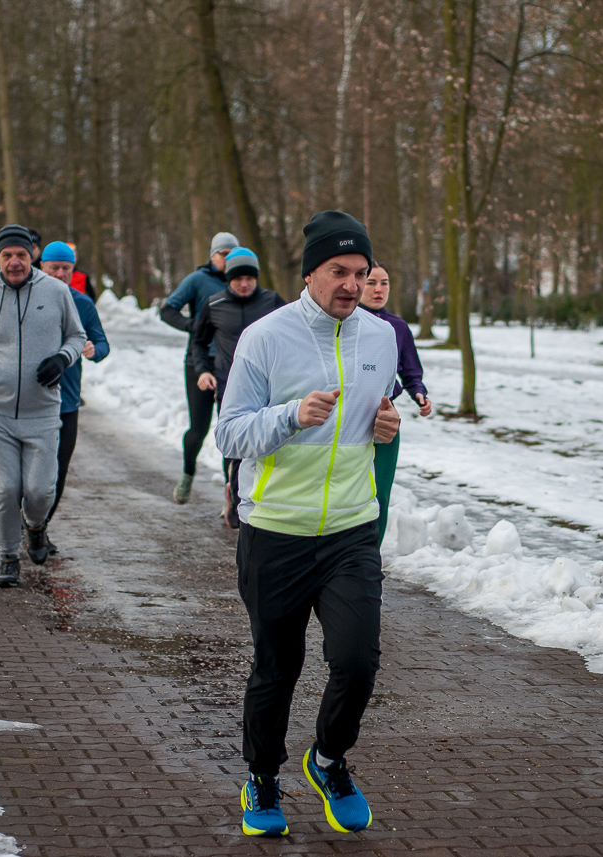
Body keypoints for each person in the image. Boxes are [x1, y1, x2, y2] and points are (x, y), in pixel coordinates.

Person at [215, 211, 399, 837]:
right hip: (276, 530)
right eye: (337, 272)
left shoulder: (380, 338)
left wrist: (386, 426)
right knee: (278, 665)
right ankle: (262, 780)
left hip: (351, 527)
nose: (350, 284)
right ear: (310, 273)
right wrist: (290, 416)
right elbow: (230, 430)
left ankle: (327, 759)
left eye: (359, 272)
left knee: (358, 659)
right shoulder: (267, 338)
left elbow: (376, 417)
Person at [0, 224, 86, 588]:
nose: (15, 262)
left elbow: (77, 336)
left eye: (22, 255)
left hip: (43, 413)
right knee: (5, 489)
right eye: (7, 255)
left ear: (32, 257)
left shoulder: (57, 292)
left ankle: (36, 526)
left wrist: (62, 358)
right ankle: (8, 556)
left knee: (41, 490)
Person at [189, 247, 285, 528]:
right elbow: (198, 341)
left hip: (268, 387)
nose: (244, 284)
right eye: (237, 279)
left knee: (267, 443)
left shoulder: (272, 301)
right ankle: (234, 498)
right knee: (235, 446)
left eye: (250, 278)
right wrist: (203, 370)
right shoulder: (214, 304)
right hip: (230, 386)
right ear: (228, 278)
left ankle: (264, 499)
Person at [38, 241, 110, 553]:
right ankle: (27, 525)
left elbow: (103, 343)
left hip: (67, 401)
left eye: (66, 268)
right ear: (42, 266)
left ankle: (39, 528)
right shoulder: (26, 299)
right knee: (30, 473)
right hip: (30, 401)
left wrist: (95, 350)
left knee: (58, 469)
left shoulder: (82, 304)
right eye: (54, 267)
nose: (60, 273)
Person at [160, 230, 239, 504]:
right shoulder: (197, 280)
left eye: (232, 255)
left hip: (231, 366)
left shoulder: (242, 283)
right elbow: (167, 310)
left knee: (230, 428)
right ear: (212, 256)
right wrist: (194, 327)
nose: (227, 260)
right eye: (222, 254)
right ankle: (188, 473)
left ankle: (231, 490)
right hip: (198, 362)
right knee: (199, 427)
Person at [358, 263, 431, 544]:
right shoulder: (344, 322)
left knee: (380, 491)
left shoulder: (398, 327)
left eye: (384, 283)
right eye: (372, 282)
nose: (378, 289)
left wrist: (419, 394)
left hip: (386, 419)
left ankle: (370, 556)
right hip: (348, 418)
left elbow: (411, 370)